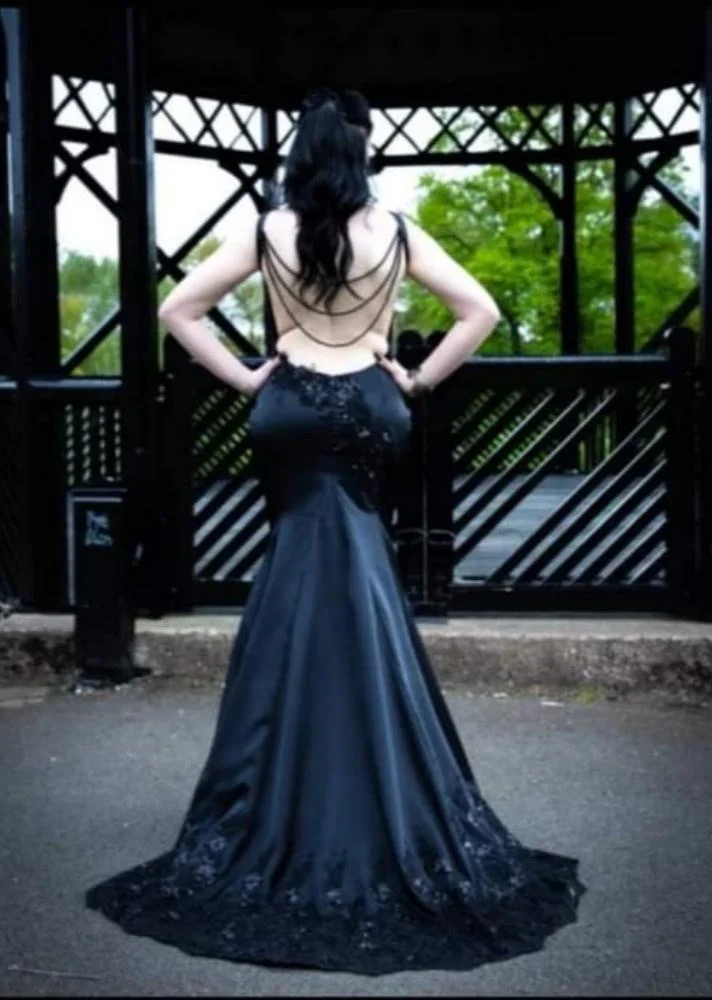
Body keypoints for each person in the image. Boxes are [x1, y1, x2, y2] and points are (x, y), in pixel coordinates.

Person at [85, 87, 587, 975]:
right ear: (360, 152)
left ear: (301, 154)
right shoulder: (393, 232)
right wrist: (413, 378)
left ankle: (284, 768)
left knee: (295, 568)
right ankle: (371, 754)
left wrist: (247, 382)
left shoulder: (265, 229)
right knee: (358, 559)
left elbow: (175, 312)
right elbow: (481, 312)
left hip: (287, 407)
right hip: (367, 403)